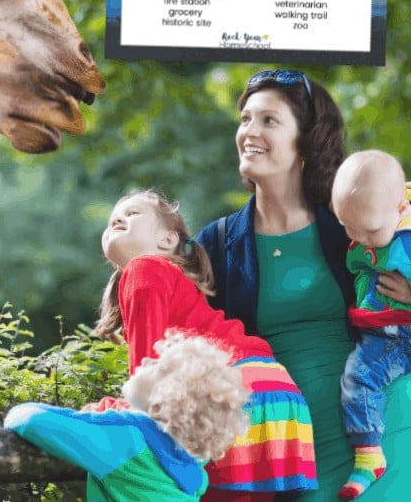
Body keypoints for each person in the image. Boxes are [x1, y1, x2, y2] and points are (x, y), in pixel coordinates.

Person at [197, 69, 411, 501]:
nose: (249, 132)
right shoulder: (216, 244)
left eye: (269, 121)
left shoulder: (356, 222)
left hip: (387, 426)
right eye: (245, 119)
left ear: (307, 142)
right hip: (292, 446)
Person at [96, 188, 318, 501]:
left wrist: (109, 410)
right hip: (275, 392)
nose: (117, 218)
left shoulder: (144, 268)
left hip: (234, 393)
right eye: (113, 218)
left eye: (132, 214)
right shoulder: (169, 278)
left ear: (168, 240)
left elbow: (147, 381)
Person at [4, 332, 250, 501]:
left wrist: (16, 410)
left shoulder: (127, 439)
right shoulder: (191, 459)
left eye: (156, 366)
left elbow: (29, 420)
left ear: (165, 399)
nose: (144, 360)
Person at [331, 150, 411, 499]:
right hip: (388, 337)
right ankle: (368, 454)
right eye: (349, 227)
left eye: (371, 230)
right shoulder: (372, 224)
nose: (360, 238)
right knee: (358, 376)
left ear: (400, 210)